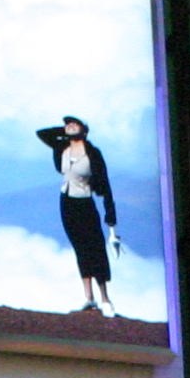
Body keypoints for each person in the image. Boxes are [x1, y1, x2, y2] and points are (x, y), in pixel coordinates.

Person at [34, 117, 122, 314]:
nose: (70, 125)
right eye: (68, 123)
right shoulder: (62, 148)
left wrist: (112, 223)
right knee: (80, 248)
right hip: (67, 203)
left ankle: (105, 298)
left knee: (95, 248)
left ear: (84, 129)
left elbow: (106, 187)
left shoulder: (93, 153)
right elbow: (42, 133)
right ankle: (88, 296)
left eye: (75, 123)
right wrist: (66, 131)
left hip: (85, 203)